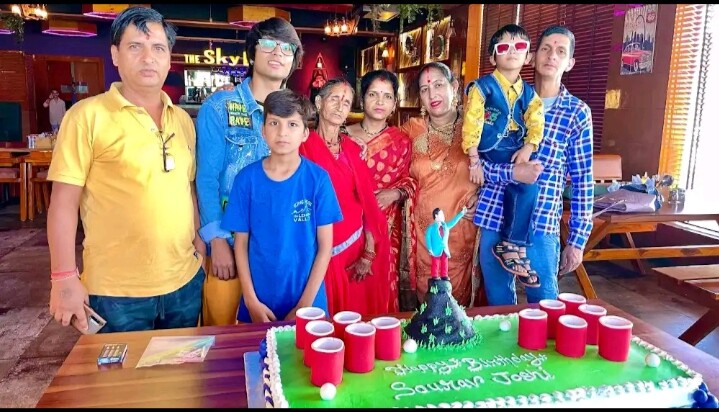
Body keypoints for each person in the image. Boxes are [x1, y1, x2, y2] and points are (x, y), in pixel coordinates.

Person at [46, 6, 206, 333]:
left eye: (158, 48)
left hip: (184, 283)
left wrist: (199, 243)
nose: (148, 57)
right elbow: (63, 203)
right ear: (115, 55)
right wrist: (63, 278)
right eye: (135, 46)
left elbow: (186, 187)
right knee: (120, 369)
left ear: (169, 58)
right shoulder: (86, 117)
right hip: (115, 294)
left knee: (180, 367)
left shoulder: (182, 121)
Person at [475, 25, 594, 305]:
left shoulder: (576, 113)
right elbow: (478, 164)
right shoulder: (501, 100)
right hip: (494, 215)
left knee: (544, 306)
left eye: (561, 51)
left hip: (541, 223)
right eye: (546, 49)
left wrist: (577, 241)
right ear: (532, 56)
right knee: (498, 306)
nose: (552, 56)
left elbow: (583, 180)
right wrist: (513, 172)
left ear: (570, 62)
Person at [196, 17, 303, 326]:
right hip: (230, 248)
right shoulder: (220, 107)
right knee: (224, 339)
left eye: (287, 47)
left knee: (279, 340)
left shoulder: (297, 113)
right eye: (268, 43)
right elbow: (206, 179)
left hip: (278, 252)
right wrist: (216, 239)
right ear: (252, 53)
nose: (278, 52)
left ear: (294, 61)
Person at [221, 89, 342, 323]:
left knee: (306, 348)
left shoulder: (317, 179)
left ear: (305, 133)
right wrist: (250, 299)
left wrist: (304, 306)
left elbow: (325, 247)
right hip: (259, 302)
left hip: (309, 302)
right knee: (257, 348)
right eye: (274, 123)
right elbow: (241, 244)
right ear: (263, 130)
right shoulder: (246, 180)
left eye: (292, 124)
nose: (282, 132)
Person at [299, 77, 391, 317]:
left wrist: (368, 252)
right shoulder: (301, 145)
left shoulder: (352, 149)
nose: (340, 106)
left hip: (353, 250)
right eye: (334, 99)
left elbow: (368, 204)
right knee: (320, 319)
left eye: (347, 102)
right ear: (319, 103)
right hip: (316, 253)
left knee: (353, 320)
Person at [462, 24, 545, 288]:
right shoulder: (482, 87)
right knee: (524, 185)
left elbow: (536, 122)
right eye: (504, 47)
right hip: (489, 149)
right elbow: (473, 121)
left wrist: (529, 147)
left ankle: (513, 245)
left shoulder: (529, 93)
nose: (512, 51)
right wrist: (474, 159)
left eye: (519, 46)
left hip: (514, 149)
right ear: (492, 57)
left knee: (528, 188)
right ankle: (511, 245)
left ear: (528, 56)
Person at [401, 62, 481, 307]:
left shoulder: (476, 128)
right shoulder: (411, 130)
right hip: (423, 233)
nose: (432, 94)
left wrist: (484, 196)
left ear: (454, 87)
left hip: (464, 227)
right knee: (428, 305)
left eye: (438, 85)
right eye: (425, 89)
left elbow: (500, 170)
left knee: (459, 309)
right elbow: (385, 153)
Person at [343, 69, 417, 312]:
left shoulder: (401, 141)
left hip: (384, 228)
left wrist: (395, 193)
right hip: (347, 227)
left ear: (395, 104)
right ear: (362, 99)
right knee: (347, 292)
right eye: (373, 94)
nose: (379, 101)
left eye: (387, 96)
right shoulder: (342, 137)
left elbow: (411, 180)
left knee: (377, 293)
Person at [425, 207, 467, 280]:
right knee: (435, 263)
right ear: (436, 215)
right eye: (441, 214)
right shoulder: (431, 228)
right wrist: (430, 248)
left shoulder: (446, 226)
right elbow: (427, 238)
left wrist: (461, 213)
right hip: (435, 249)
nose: (443, 216)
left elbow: (454, 221)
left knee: (445, 262)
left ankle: (444, 275)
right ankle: (435, 275)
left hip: (444, 249)